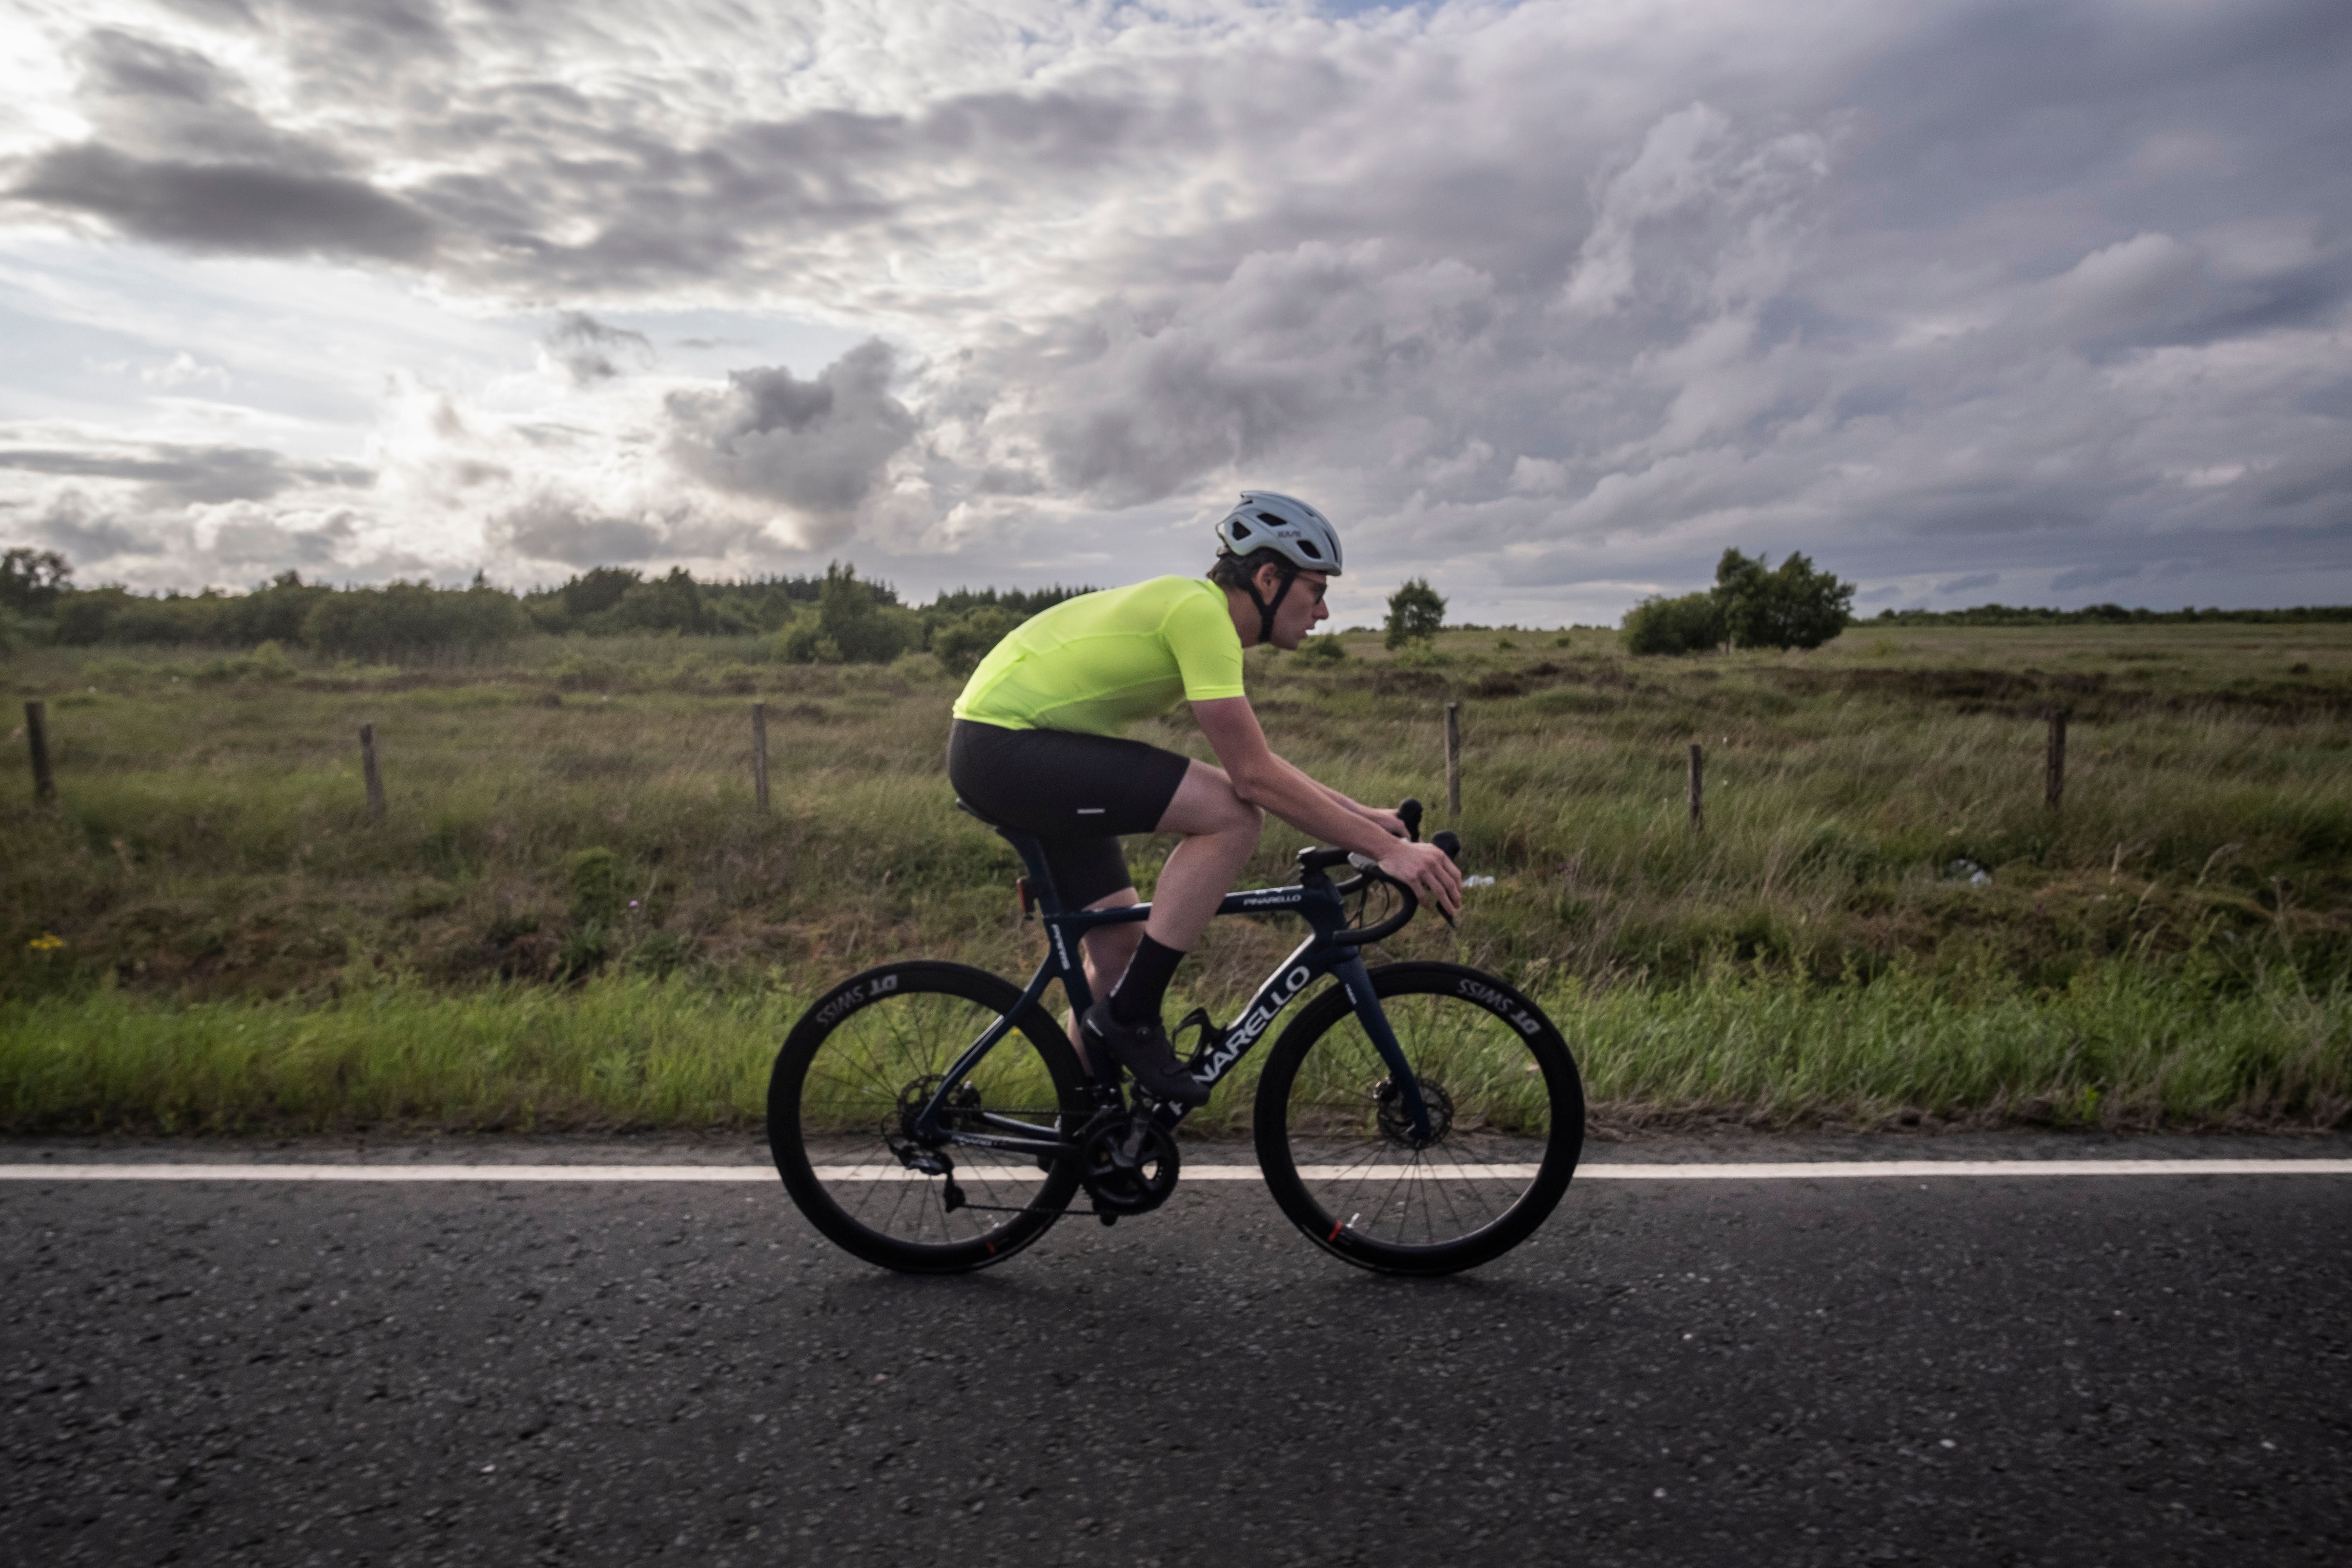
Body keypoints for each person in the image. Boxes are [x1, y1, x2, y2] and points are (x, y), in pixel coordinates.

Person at [946, 491, 1463, 1105]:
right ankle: (1132, 1016)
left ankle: (1090, 1132)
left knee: (1116, 950)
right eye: (1315, 591)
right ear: (1269, 577)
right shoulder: (1202, 616)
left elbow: (1258, 763)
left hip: (1012, 747)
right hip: (1005, 747)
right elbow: (1252, 781)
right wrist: (1385, 850)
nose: (1323, 612)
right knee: (1231, 816)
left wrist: (1360, 818)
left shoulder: (1195, 611)